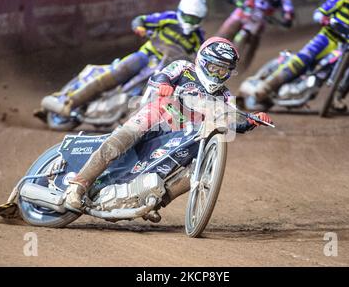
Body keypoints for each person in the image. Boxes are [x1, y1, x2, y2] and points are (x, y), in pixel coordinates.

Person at [63, 37, 273, 212]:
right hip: (157, 115)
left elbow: (231, 118)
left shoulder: (225, 95)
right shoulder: (184, 68)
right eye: (213, 68)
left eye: (223, 71)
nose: (217, 74)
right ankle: (77, 187)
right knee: (123, 138)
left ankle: (154, 203)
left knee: (196, 171)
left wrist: (251, 120)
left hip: (182, 135)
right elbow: (161, 75)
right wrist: (164, 84)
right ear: (202, 61)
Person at [41, 0, 208, 117]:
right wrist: (140, 27)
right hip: (147, 56)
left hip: (166, 69)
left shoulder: (198, 37)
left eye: (194, 19)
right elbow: (140, 19)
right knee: (121, 71)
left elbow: (199, 56)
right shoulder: (168, 18)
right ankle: (71, 102)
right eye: (187, 17)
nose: (190, 22)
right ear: (180, 11)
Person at [216, 0, 294, 68]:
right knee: (225, 32)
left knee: (252, 46)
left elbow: (288, 9)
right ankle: (208, 50)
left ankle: (241, 69)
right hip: (244, 11)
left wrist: (287, 18)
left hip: (262, 20)